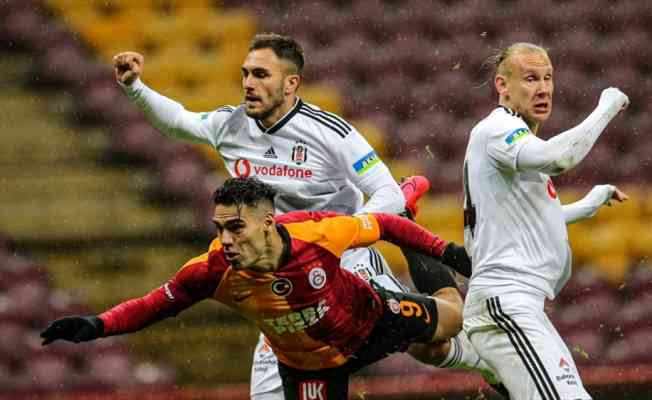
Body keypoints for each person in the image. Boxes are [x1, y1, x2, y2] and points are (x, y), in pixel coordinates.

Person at [112, 33, 484, 399]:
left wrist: (346, 231)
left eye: (260, 75)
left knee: (428, 347)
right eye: (245, 73)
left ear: (291, 83)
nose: (248, 84)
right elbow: (178, 122)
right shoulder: (230, 125)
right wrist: (135, 87)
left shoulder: (330, 131)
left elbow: (385, 192)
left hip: (343, 261)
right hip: (276, 273)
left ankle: (488, 361)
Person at [41, 177, 465, 400]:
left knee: (450, 324)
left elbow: (384, 225)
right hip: (310, 367)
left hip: (371, 316)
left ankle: (409, 210)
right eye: (220, 229)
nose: (226, 240)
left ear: (267, 223)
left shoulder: (316, 234)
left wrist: (446, 250)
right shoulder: (210, 271)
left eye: (236, 228)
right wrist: (97, 325)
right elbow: (155, 305)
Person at [461, 42, 629, 400]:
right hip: (506, 302)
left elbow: (523, 221)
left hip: (521, 305)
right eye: (531, 78)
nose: (544, 89)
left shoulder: (514, 139)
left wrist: (586, 205)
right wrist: (607, 106)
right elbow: (559, 159)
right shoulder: (497, 129)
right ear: (502, 86)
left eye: (549, 78)